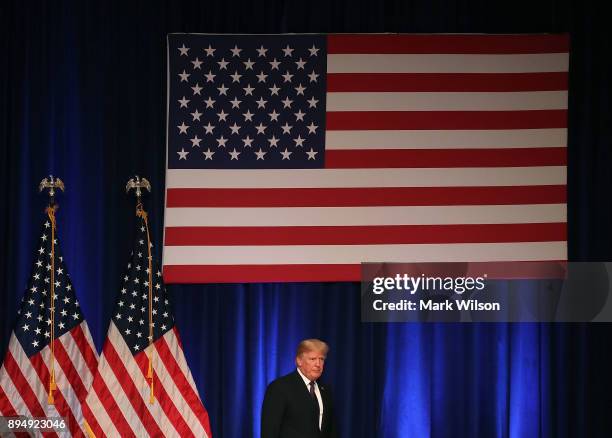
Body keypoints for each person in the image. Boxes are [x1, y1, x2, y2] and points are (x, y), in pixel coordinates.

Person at [261, 339, 337, 438]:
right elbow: (269, 431)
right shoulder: (279, 388)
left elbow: (331, 430)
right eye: (313, 359)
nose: (318, 364)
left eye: (321, 359)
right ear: (299, 361)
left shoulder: (325, 390)